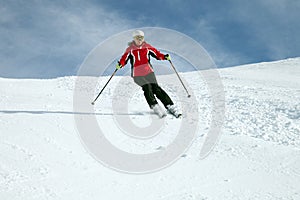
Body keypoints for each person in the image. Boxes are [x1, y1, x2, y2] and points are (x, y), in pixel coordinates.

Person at [116, 30, 181, 118]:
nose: (139, 40)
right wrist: (120, 64)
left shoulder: (147, 47)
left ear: (143, 38)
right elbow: (124, 59)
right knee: (147, 86)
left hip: (149, 72)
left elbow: (157, 54)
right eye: (137, 38)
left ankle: (170, 106)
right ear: (134, 39)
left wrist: (164, 57)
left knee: (156, 88)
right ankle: (155, 106)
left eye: (141, 38)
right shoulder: (130, 50)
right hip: (137, 74)